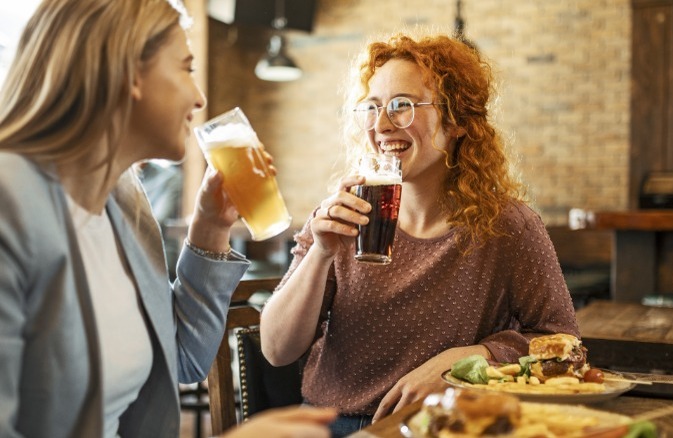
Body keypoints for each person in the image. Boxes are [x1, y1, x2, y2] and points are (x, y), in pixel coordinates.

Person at [0, 0, 334, 437]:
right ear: (128, 72)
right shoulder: (11, 204)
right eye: (185, 68)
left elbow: (186, 358)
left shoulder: (123, 200)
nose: (199, 97)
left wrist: (211, 228)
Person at [259, 32, 580, 437]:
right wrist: (320, 253)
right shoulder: (341, 214)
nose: (381, 125)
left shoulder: (508, 226)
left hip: (442, 428)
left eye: (402, 106)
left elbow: (563, 340)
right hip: (331, 425)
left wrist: (465, 360)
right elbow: (276, 350)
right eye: (372, 108)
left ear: (458, 120)